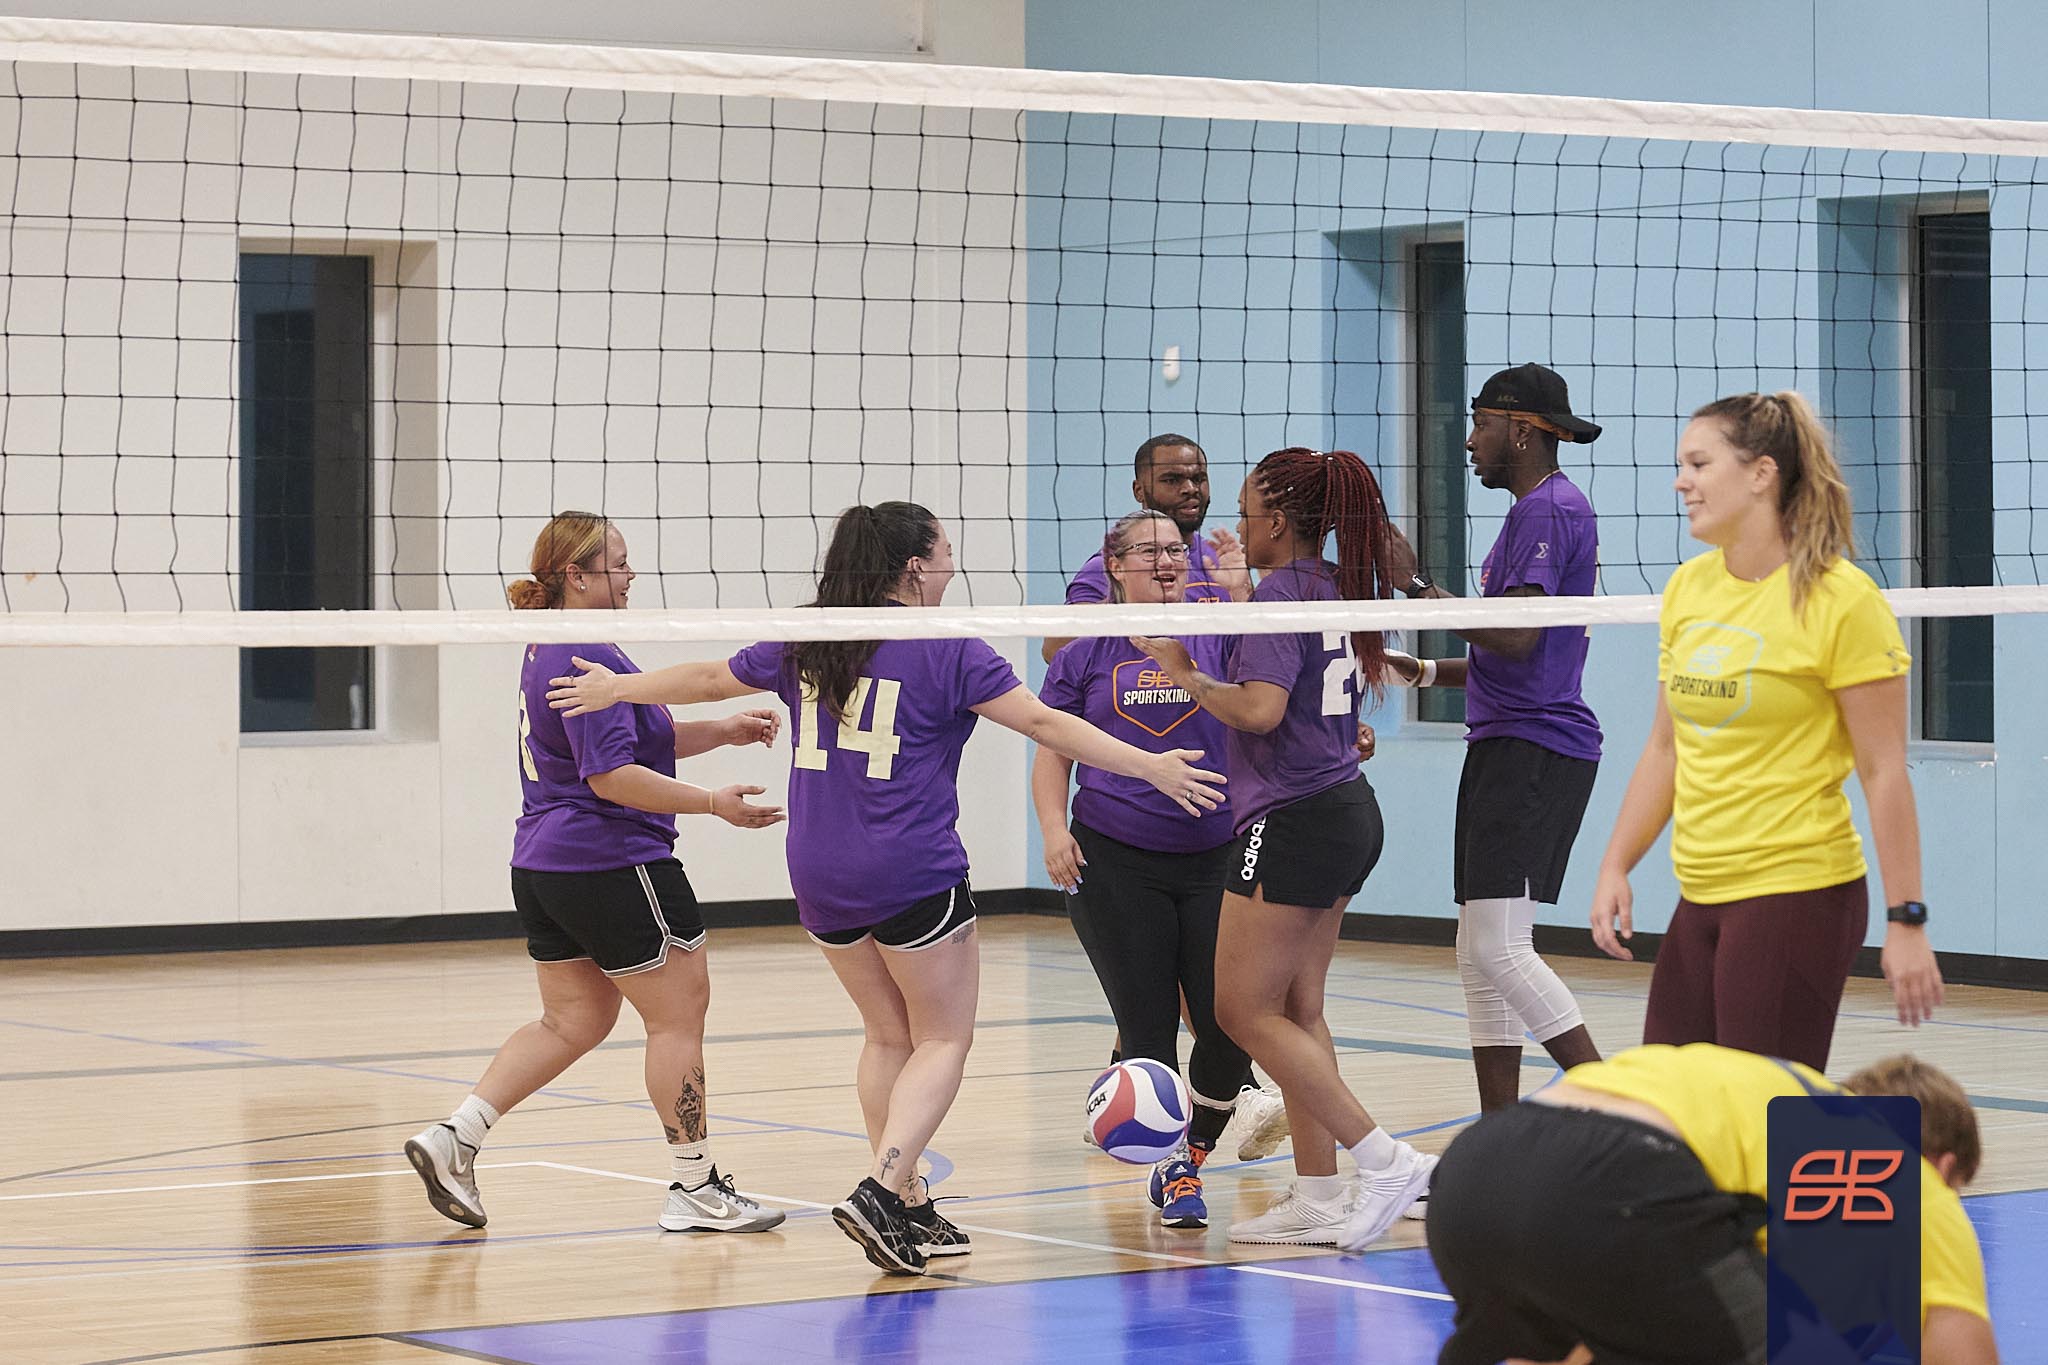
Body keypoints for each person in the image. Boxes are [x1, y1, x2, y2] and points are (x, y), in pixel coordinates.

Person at [547, 501, 1225, 1276]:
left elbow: (706, 677)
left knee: (886, 1035)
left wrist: (619, 688)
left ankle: (904, 1201)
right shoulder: (947, 645)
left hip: (818, 868)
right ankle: (881, 1187)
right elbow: (1044, 725)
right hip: (909, 865)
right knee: (942, 1038)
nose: (952, 565)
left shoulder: (814, 632)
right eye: (945, 551)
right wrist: (1150, 764)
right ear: (913, 567)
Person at [404, 511, 789, 1236]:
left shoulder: (553, 642)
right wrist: (713, 804)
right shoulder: (582, 652)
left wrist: (722, 729)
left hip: (545, 865)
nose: (631, 572)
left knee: (574, 1019)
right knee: (678, 1017)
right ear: (575, 575)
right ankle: (695, 1185)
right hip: (613, 860)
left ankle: (456, 1136)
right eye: (617, 561)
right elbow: (611, 776)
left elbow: (630, 741)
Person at [1132, 447, 1435, 1253]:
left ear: (1276, 519)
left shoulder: (1281, 596)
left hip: (1294, 821)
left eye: (1245, 510)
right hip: (1344, 809)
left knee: (1239, 1010)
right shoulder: (1336, 584)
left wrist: (1184, 672)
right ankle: (1320, 1193)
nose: (1238, 523)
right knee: (1299, 1009)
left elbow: (1261, 710)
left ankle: (1386, 1160)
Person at [1589, 392, 1944, 1070]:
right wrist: (1615, 864)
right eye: (1681, 466)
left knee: (1768, 1109)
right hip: (1702, 891)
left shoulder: (1842, 601)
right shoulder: (1690, 589)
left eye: (1698, 464)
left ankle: (1875, 1141)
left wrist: (1908, 918)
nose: (1681, 482)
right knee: (1672, 1098)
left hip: (1798, 891)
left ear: (1761, 473)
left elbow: (1883, 771)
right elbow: (1665, 747)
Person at [1425, 1044, 1998, 1365]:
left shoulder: (1775, 1100)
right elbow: (1962, 1353)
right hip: (1617, 1183)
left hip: (1474, 1173)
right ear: (1944, 1166)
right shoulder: (1896, 1166)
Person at [1387, 363, 1605, 1111]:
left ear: (1520, 431)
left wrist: (1416, 587)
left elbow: (1514, 635)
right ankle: (1500, 1136)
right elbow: (1516, 654)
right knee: (1478, 954)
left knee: (1499, 949)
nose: (1469, 441)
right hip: (1509, 740)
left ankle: (1620, 1109)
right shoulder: (1531, 513)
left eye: (1479, 424)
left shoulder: (1551, 510)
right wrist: (1422, 671)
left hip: (1535, 749)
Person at [1032, 509, 1254, 1229]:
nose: (1167, 561)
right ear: (1114, 564)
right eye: (1149, 550)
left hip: (1217, 855)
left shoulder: (1219, 629)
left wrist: (1243, 594)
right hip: (1115, 859)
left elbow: (1270, 692)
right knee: (1149, 1030)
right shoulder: (1086, 648)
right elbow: (1052, 749)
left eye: (1176, 549)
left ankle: (1194, 1147)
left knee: (1231, 1024)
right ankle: (1176, 1171)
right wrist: (1053, 828)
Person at [1040, 432, 1251, 664]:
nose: (1190, 488)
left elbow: (1251, 650)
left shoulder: (1220, 558)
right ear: (1139, 490)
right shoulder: (1111, 565)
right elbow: (1054, 651)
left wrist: (1240, 591)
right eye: (1172, 480)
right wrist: (1128, 600)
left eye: (1199, 478)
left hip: (1210, 688)